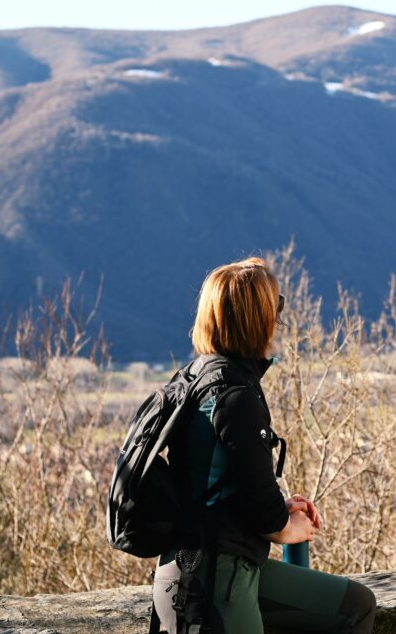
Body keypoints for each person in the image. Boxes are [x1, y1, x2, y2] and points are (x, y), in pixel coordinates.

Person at [151, 257, 377, 634]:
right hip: (217, 584)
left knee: (354, 606)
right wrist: (283, 526)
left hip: (191, 570)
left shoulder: (194, 379)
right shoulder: (235, 396)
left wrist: (278, 509)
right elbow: (261, 511)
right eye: (277, 306)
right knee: (353, 609)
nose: (279, 316)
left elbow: (221, 484)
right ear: (258, 319)